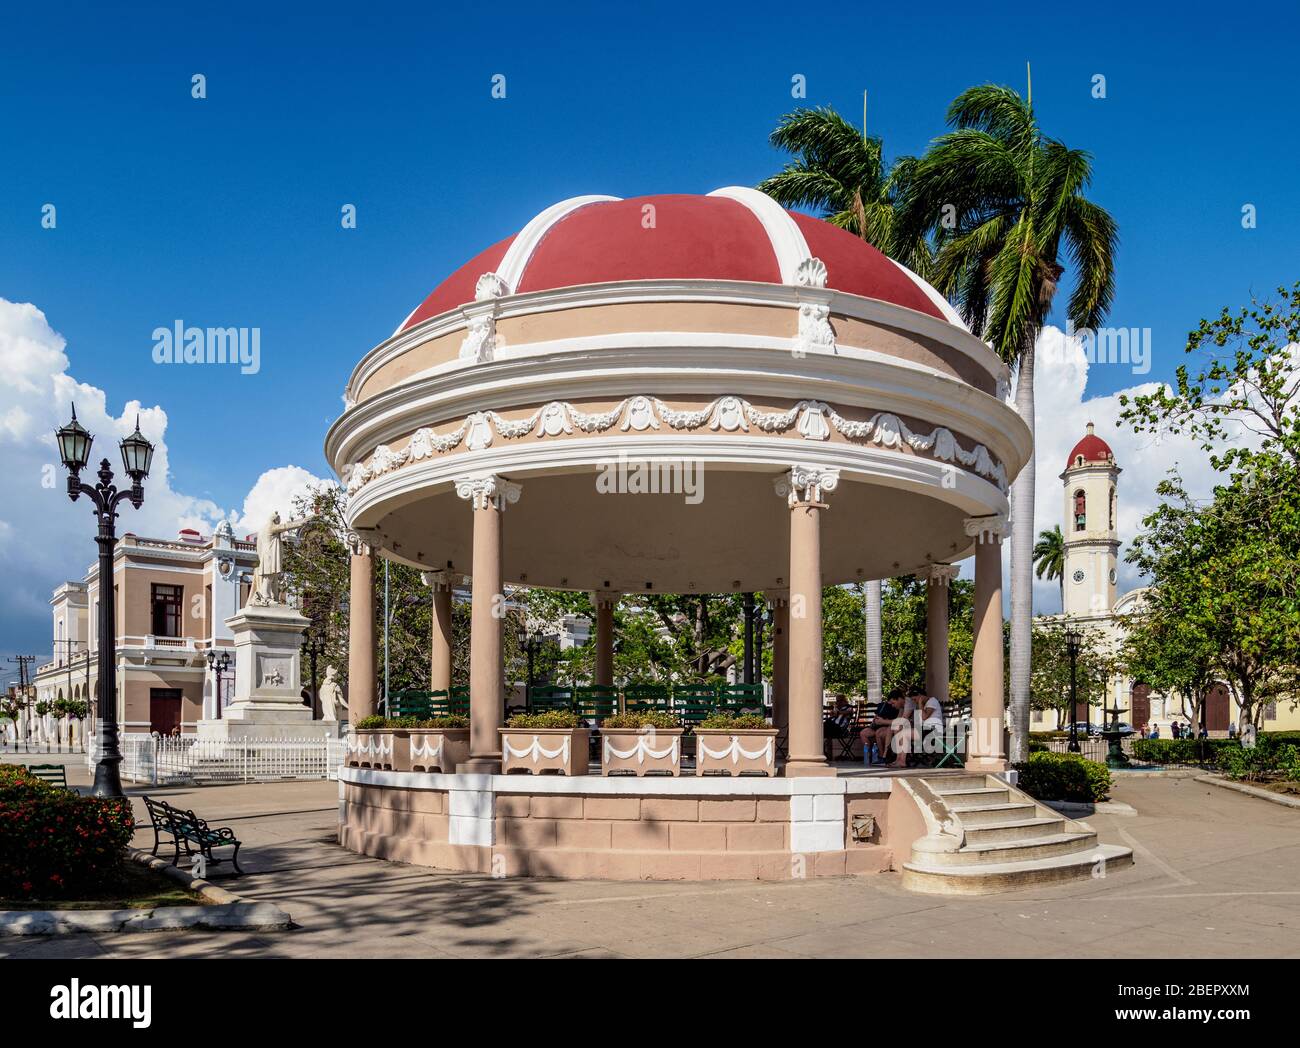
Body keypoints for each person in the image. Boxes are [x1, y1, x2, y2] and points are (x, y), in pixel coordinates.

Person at [862, 689, 904, 765]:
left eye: (893, 703)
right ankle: (869, 757)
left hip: (888, 727)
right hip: (879, 726)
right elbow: (877, 717)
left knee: (880, 732)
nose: (892, 705)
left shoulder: (900, 707)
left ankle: (882, 756)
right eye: (891, 703)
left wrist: (884, 721)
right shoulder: (883, 705)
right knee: (863, 733)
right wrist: (876, 721)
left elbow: (899, 721)